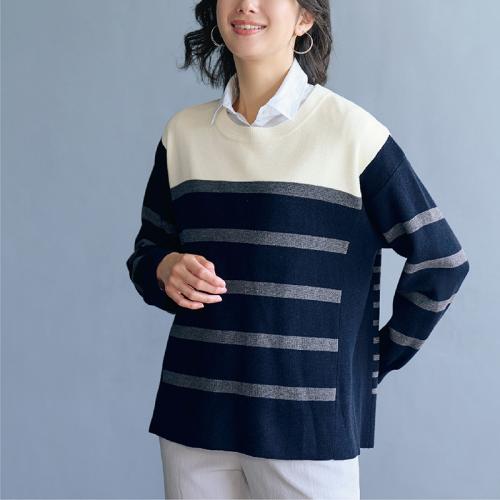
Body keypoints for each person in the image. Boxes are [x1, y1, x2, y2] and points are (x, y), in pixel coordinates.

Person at [125, 1, 470, 498]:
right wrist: (165, 267)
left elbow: (442, 261)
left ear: (305, 18)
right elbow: (147, 251)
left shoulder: (352, 133)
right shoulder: (183, 134)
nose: (246, 4)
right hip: (194, 415)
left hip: (307, 427)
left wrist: (370, 361)